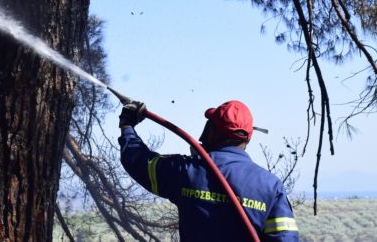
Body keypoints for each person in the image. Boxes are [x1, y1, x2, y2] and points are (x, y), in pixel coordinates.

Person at [118, 100, 300, 241]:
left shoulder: (186, 170)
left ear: (211, 132)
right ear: (247, 138)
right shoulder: (270, 185)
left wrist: (127, 126)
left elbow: (138, 161)